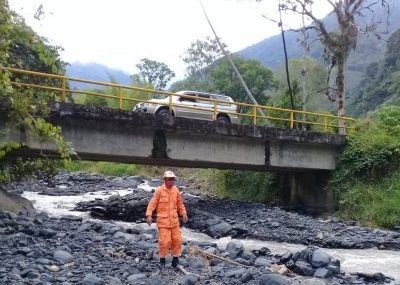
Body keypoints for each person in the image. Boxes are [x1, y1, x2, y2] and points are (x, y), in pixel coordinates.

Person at [145, 170, 188, 268]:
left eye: (173, 179)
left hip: (174, 221)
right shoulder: (159, 190)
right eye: (169, 179)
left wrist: (183, 213)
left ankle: (175, 260)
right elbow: (152, 203)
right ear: (165, 180)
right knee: (165, 242)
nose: (171, 181)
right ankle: (162, 260)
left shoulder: (176, 190)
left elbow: (180, 204)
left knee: (177, 240)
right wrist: (149, 215)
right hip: (163, 222)